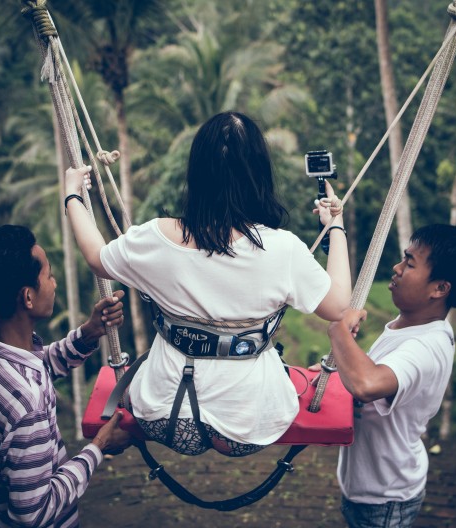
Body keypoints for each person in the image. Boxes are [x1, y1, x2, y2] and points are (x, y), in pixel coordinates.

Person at [65, 111, 352, 457]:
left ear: (196, 174)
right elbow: (338, 306)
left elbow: (97, 257)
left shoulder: (156, 237)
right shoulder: (283, 249)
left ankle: (134, 433)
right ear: (259, 174)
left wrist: (73, 196)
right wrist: (334, 226)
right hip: (248, 420)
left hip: (163, 412)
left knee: (151, 394)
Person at [315, 224, 456, 528]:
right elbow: (363, 378)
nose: (397, 269)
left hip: (385, 498)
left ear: (439, 288)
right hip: (368, 488)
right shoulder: (406, 326)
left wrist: (337, 328)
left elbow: (366, 384)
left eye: (410, 264)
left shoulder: (427, 346)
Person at [0, 224, 132, 528]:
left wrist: (89, 333)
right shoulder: (27, 409)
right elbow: (33, 513)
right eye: (49, 276)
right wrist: (99, 447)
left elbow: (36, 367)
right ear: (27, 296)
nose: (54, 284)